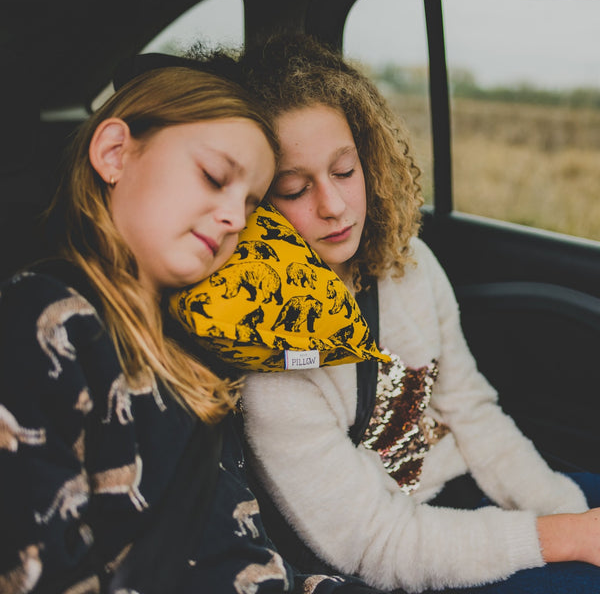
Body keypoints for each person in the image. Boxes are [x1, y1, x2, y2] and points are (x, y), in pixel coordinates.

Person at [228, 35, 600, 593]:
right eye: (294, 188)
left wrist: (563, 509)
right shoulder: (269, 361)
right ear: (252, 201)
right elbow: (378, 544)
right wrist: (565, 539)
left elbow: (471, 409)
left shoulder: (409, 262)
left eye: (344, 171)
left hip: (473, 502)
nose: (332, 205)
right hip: (405, 561)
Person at [0, 60, 385, 594]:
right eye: (213, 177)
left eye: (251, 202)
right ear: (115, 153)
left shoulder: (196, 352)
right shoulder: (46, 320)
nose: (234, 218)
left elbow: (238, 553)